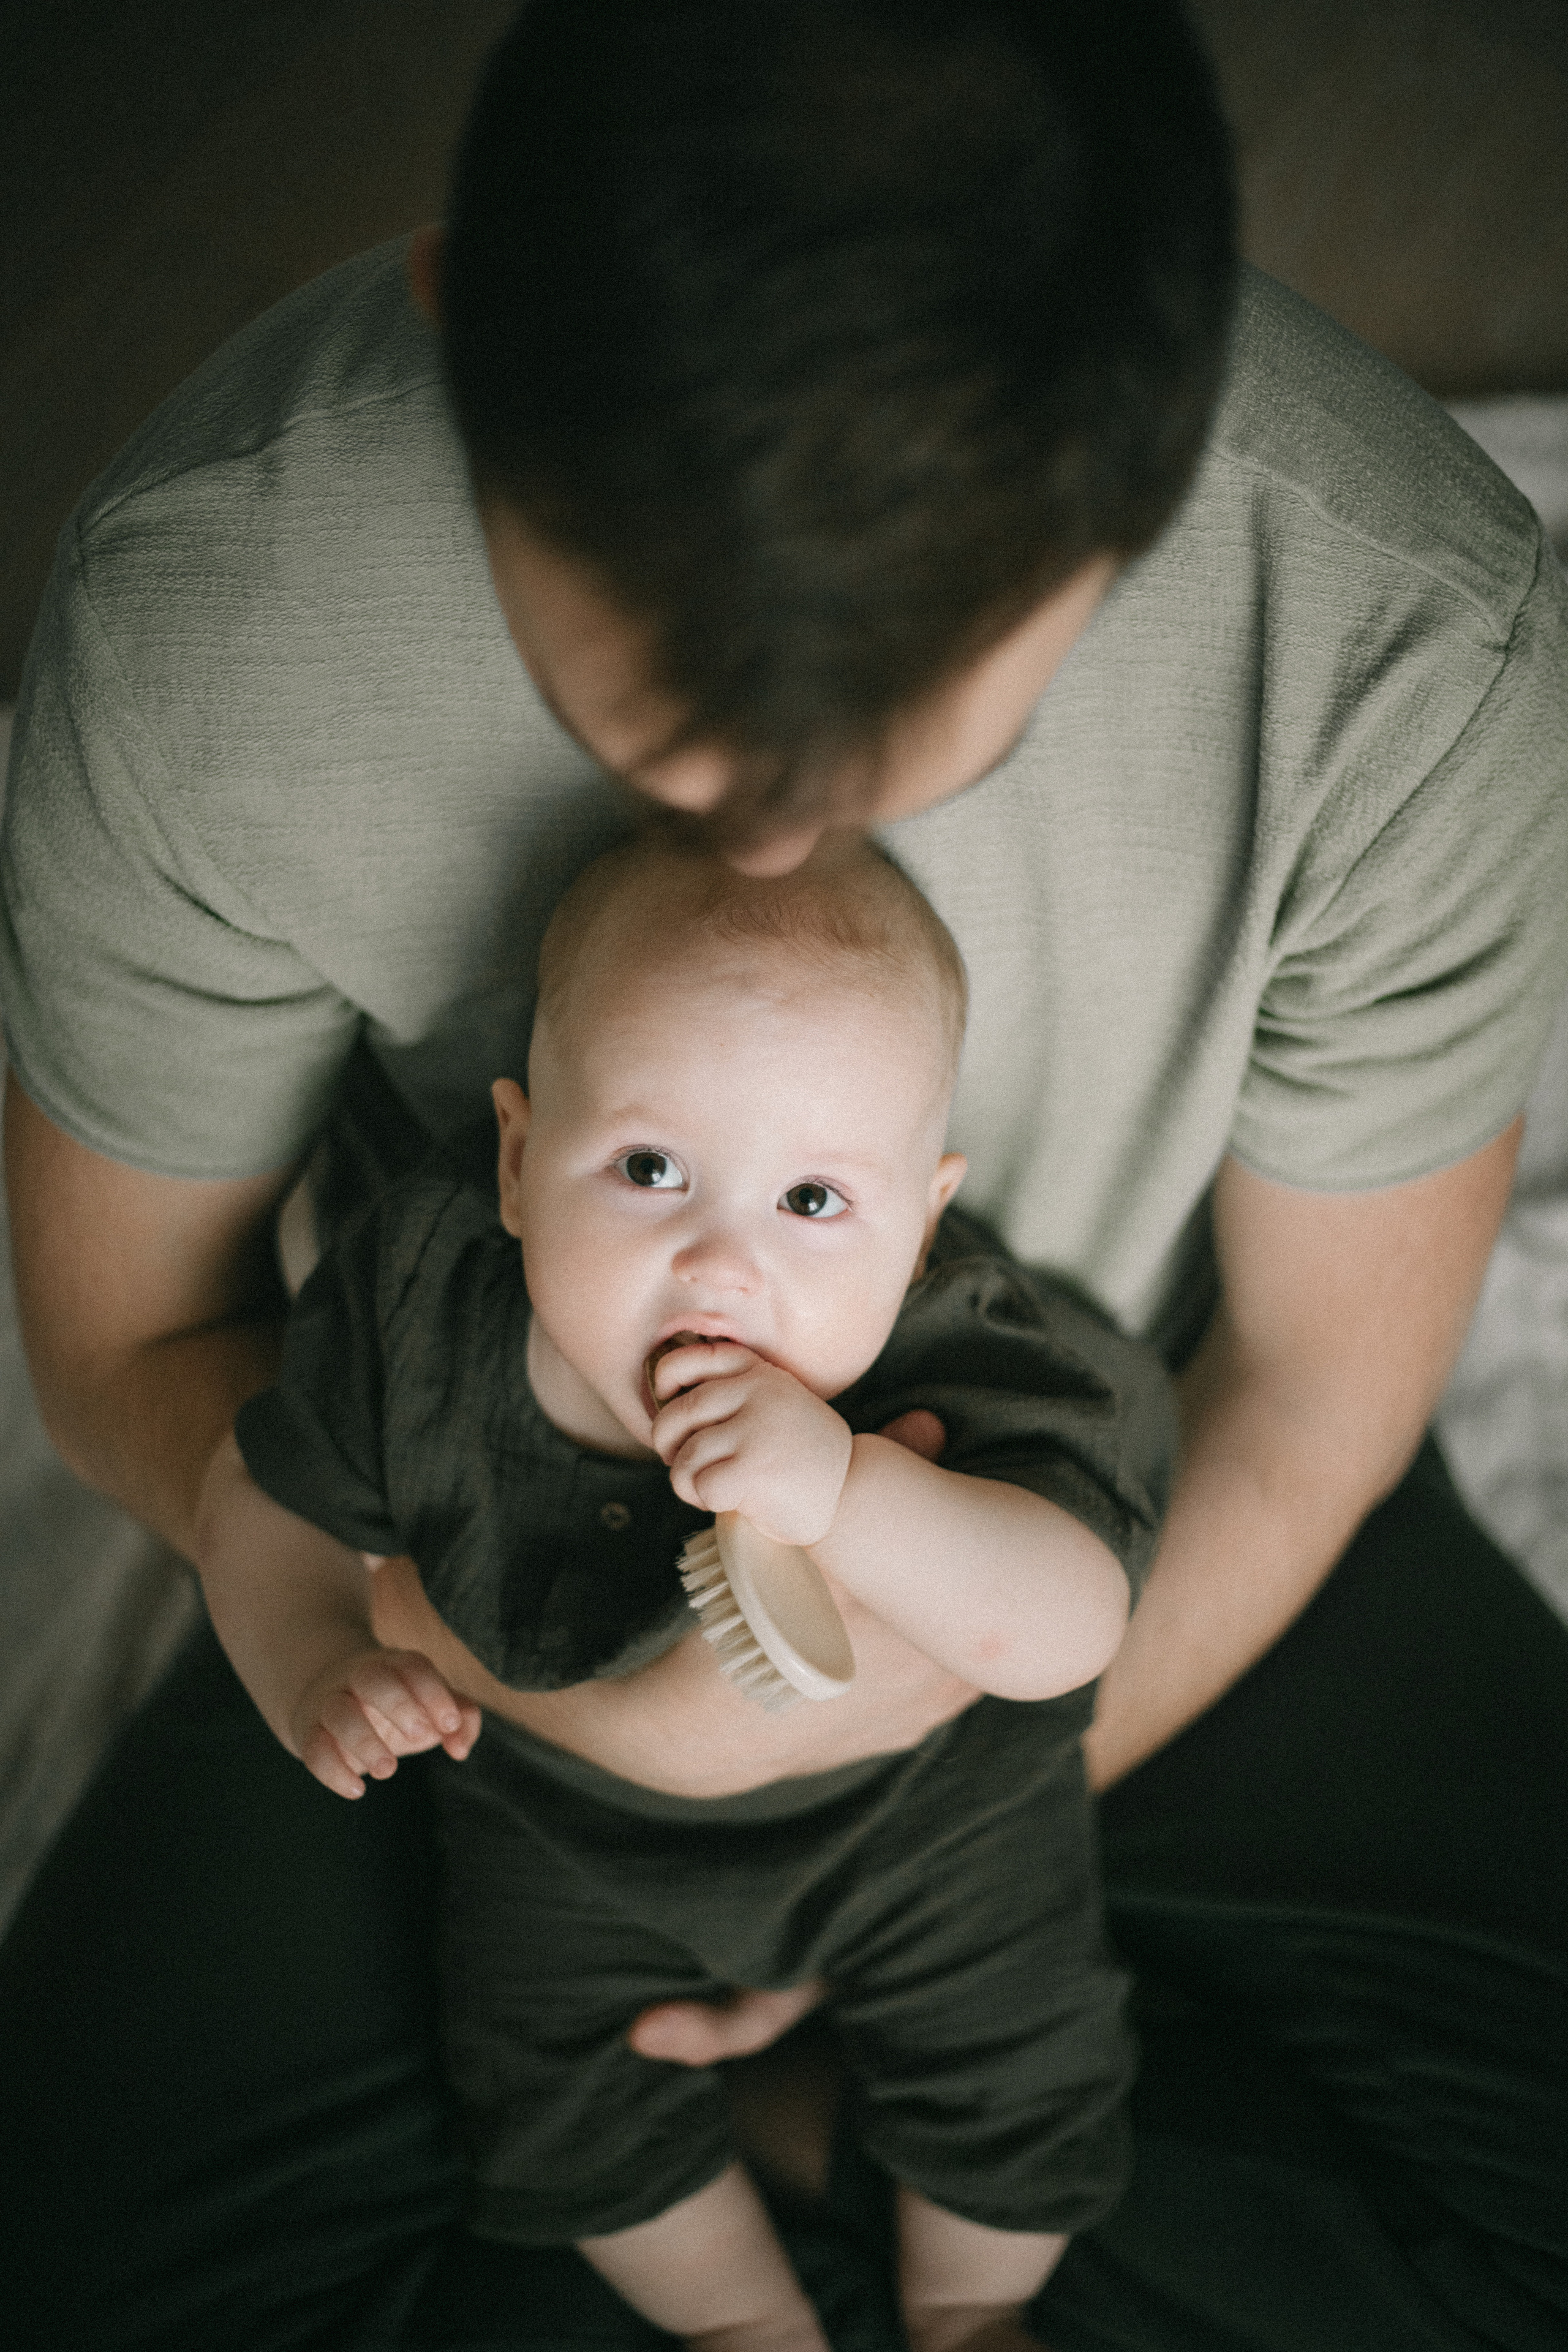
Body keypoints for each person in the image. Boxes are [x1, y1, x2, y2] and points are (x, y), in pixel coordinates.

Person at [2, 3, 1566, 2347]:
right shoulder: (207, 610)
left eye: (920, 700)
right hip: (463, 1578)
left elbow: (1318, 1403)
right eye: (644, 681)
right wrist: (489, 1696)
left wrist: (876, 1823)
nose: (759, 824)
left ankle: (832, 2152)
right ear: (469, 323)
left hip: (1114, 1483)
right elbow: (133, 1342)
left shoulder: (1408, 630)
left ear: (1147, 465)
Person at [197, 831, 1174, 2352]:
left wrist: (848, 1491)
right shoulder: (418, 1297)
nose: (721, 1262)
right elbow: (261, 1499)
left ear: (919, 1219)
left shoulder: (957, 1341)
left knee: (1022, 2061)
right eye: (649, 1171)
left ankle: (972, 2308)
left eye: (811, 1203)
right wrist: (316, 1652)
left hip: (927, 1813)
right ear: (519, 1164)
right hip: (555, 1825)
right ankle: (744, 2327)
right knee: (551, 2096)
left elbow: (1062, 1628)